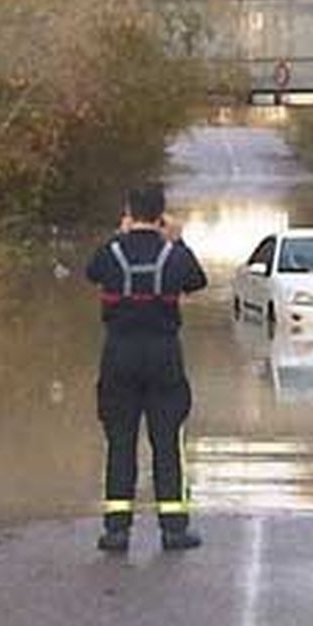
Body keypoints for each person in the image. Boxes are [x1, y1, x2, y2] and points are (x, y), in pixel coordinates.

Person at [85, 183, 207, 554]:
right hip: (163, 355)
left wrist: (119, 236)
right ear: (161, 214)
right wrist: (179, 240)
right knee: (167, 442)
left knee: (120, 442)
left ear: (128, 211)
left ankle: (117, 531)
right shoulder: (174, 254)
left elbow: (91, 272)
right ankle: (173, 530)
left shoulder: (111, 252)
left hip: (119, 353)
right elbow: (197, 281)